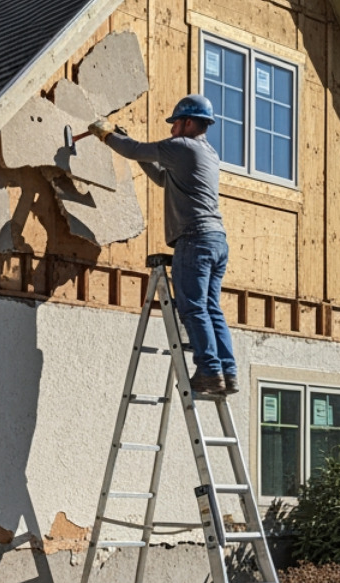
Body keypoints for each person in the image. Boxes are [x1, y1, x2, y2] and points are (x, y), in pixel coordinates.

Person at [90, 94, 238, 396]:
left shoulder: (181, 147)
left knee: (193, 306)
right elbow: (161, 177)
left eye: (174, 125)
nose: (171, 131)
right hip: (215, 240)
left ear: (186, 122)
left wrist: (105, 133)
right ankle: (227, 371)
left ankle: (210, 371)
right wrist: (124, 140)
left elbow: (133, 151)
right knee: (210, 307)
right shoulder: (208, 153)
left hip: (194, 239)